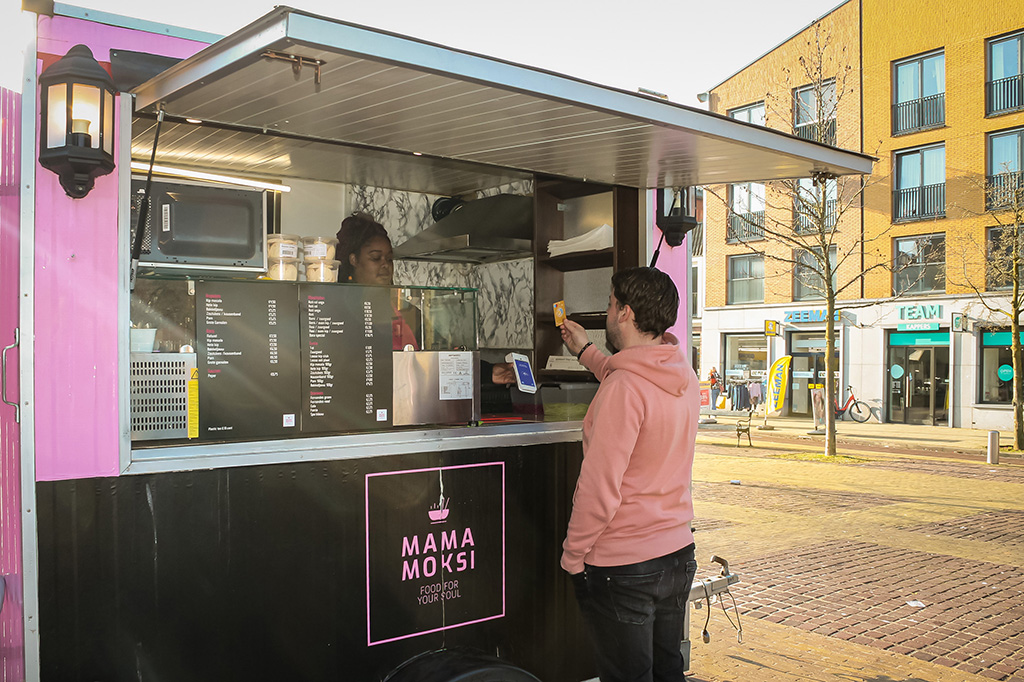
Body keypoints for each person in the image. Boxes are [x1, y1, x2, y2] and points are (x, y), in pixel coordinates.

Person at [558, 266, 699, 682]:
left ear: (624, 312)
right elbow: (626, 375)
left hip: (625, 566)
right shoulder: (682, 375)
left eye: (609, 304)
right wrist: (587, 351)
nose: (605, 312)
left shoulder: (623, 390)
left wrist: (572, 557)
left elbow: (599, 491)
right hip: (676, 555)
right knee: (668, 672)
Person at [336, 212, 515, 384]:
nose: (385, 265)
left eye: (389, 259)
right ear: (353, 260)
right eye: (376, 258)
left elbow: (442, 354)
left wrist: (487, 372)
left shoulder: (407, 310)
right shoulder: (337, 311)